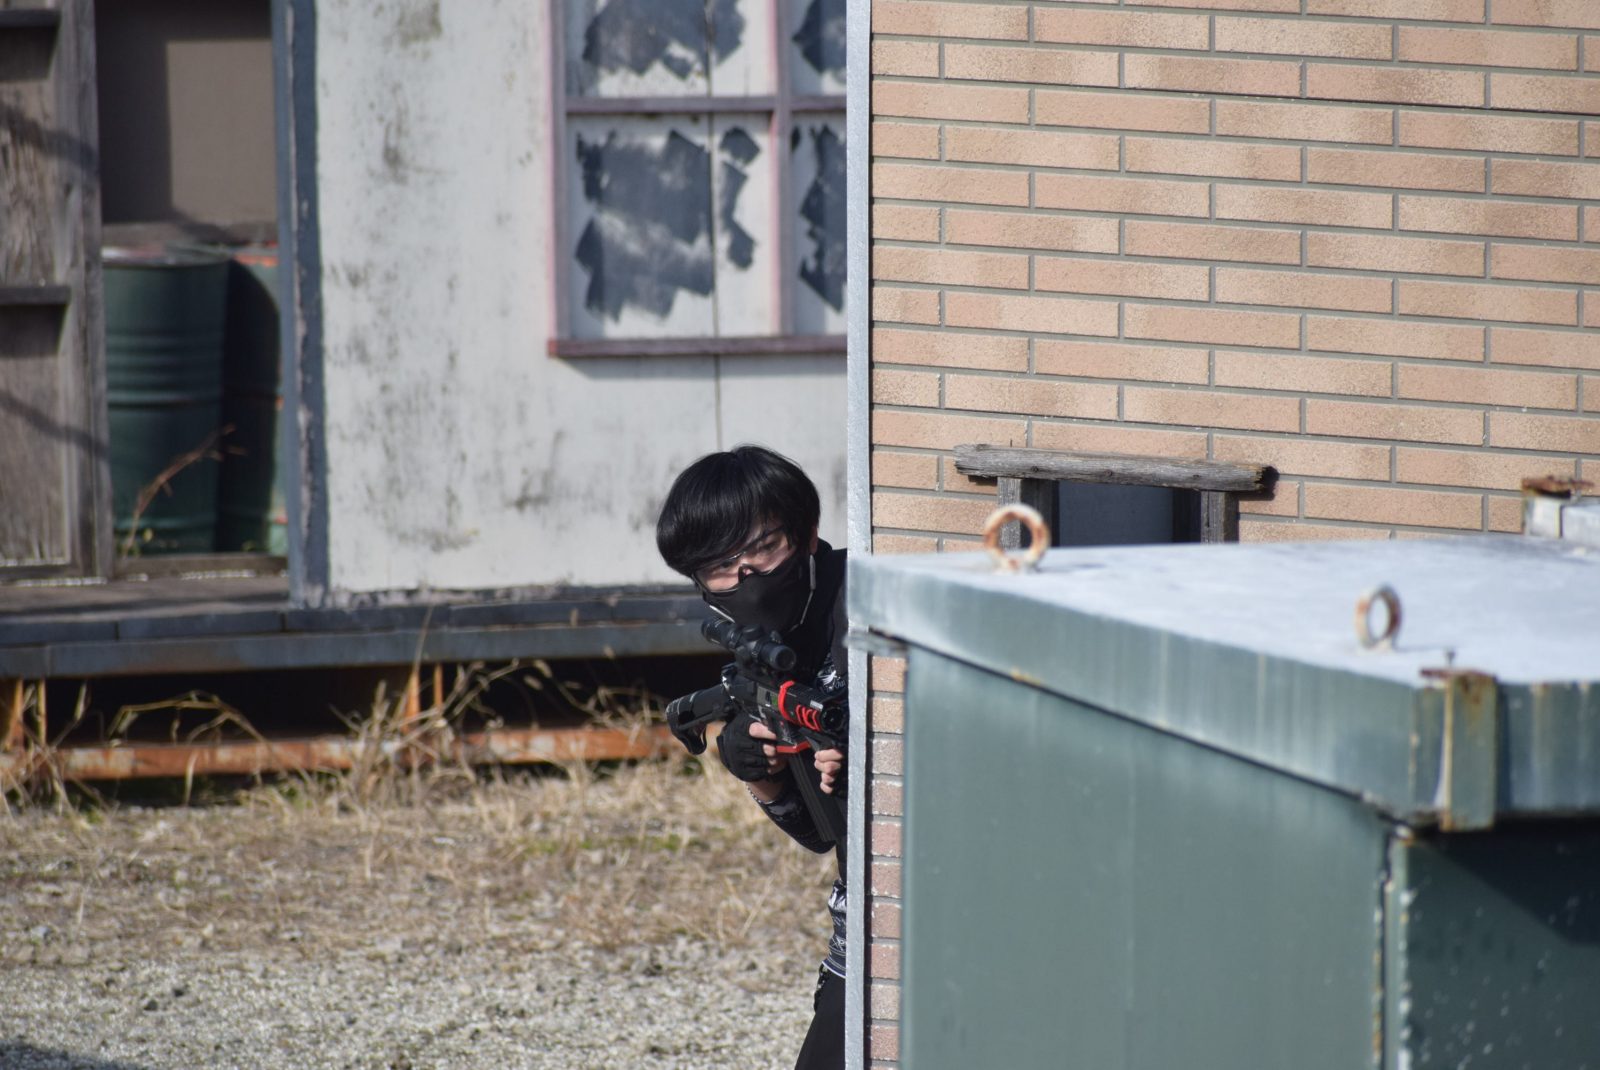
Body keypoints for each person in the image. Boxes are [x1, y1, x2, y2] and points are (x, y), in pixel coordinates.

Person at [656, 444, 847, 1070]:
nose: (747, 578)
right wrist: (758, 773)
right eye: (721, 566)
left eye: (764, 548)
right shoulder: (757, 648)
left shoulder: (867, 604)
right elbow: (821, 836)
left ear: (807, 534)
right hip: (864, 918)